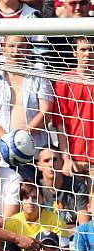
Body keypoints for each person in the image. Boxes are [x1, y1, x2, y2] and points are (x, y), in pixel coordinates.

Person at [0, 35, 54, 152]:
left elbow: (46, 112)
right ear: (3, 48)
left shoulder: (40, 77)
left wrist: (21, 140)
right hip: (2, 152)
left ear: (28, 49)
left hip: (36, 150)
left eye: (20, 46)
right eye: (11, 46)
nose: (15, 51)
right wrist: (9, 141)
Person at [4, 182, 67, 251]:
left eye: (34, 198)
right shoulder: (12, 222)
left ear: (42, 199)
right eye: (26, 198)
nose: (30, 202)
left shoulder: (56, 221)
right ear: (21, 201)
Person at [54, 36, 94, 174]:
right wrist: (66, 158)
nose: (87, 54)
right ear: (74, 52)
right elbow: (60, 123)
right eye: (83, 49)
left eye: (91, 49)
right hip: (76, 159)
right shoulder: (64, 82)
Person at [35, 147, 90, 229]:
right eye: (46, 161)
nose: (51, 164)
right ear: (39, 166)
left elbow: (84, 226)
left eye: (55, 159)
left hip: (74, 238)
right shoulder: (36, 188)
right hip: (46, 238)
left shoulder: (77, 187)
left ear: (62, 162)